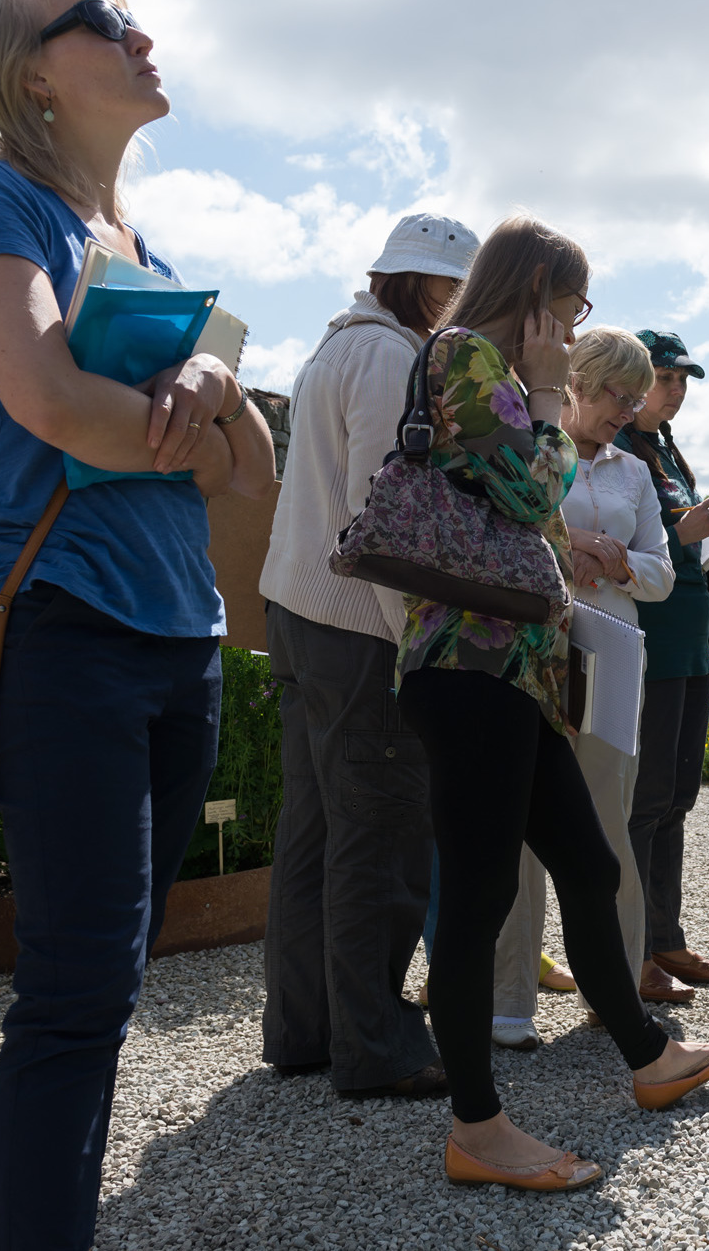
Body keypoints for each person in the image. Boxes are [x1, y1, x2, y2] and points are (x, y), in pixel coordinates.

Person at [0, 0, 276, 1249]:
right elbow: (49, 404)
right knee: (70, 995)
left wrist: (216, 396)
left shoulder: (152, 260)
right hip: (62, 628)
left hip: (183, 645)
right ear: (32, 73)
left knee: (109, 986)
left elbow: (248, 480)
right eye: (107, 25)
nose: (143, 36)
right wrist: (199, 421)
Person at [395, 216, 709, 1193]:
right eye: (570, 304)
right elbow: (531, 488)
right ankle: (476, 1125)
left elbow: (532, 505)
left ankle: (645, 1057)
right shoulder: (463, 356)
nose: (570, 324)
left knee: (590, 866)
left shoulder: (496, 377)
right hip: (464, 661)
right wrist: (551, 396)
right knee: (476, 894)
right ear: (534, 293)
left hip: (512, 671)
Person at [257, 212, 479, 1097]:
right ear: (427, 286)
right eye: (456, 290)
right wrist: (417, 642)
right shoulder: (392, 358)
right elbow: (377, 519)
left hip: (301, 611)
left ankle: (305, 1027)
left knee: (312, 830)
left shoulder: (335, 347)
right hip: (357, 623)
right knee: (380, 833)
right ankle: (376, 1043)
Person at [489, 326, 674, 1051]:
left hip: (614, 657)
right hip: (537, 648)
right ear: (576, 382)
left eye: (634, 398)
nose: (626, 410)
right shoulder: (535, 450)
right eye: (615, 395)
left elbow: (664, 572)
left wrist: (623, 564)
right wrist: (566, 547)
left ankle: (618, 991)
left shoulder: (634, 473)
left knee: (609, 826)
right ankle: (511, 1001)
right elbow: (501, 529)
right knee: (523, 828)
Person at [617, 331, 709, 1002]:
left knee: (676, 796)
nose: (675, 390)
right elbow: (619, 537)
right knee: (644, 801)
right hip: (647, 643)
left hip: (686, 643)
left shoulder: (666, 448)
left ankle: (665, 938)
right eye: (665, 377)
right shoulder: (613, 446)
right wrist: (684, 531)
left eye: (682, 381)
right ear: (633, 378)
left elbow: (678, 538)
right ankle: (633, 952)